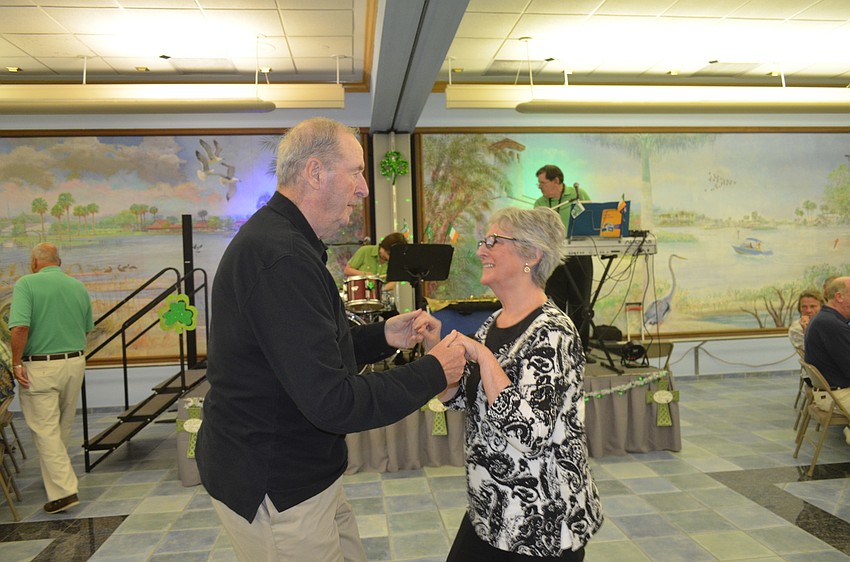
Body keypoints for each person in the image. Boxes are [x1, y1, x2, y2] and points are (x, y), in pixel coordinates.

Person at [195, 117, 467, 562]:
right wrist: (434, 370)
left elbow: (299, 355)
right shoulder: (281, 257)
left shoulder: (284, 243)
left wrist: (383, 336)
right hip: (277, 486)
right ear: (316, 172)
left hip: (303, 474)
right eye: (357, 171)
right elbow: (332, 400)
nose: (363, 188)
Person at [436, 206, 603, 561]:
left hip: (541, 522)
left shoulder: (553, 332)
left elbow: (529, 433)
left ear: (531, 254)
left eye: (494, 241)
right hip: (492, 508)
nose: (481, 250)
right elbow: (462, 400)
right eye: (484, 241)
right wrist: (437, 350)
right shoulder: (494, 321)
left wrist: (483, 357)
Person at [8, 242, 93, 514]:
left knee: (45, 431)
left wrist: (15, 361)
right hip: (74, 362)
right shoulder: (77, 286)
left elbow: (20, 327)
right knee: (60, 429)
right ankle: (57, 491)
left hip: (40, 367)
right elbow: (87, 328)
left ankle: (66, 490)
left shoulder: (26, 284)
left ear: (34, 263)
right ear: (59, 261)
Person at [534, 164, 594, 355]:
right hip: (553, 260)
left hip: (579, 258)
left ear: (556, 181)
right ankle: (557, 350)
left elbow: (592, 221)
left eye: (543, 183)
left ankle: (581, 350)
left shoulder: (579, 195)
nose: (540, 187)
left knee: (580, 304)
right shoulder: (540, 203)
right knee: (554, 306)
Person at [804, 276, 850, 445]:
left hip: (831, 391)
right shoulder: (831, 324)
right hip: (837, 395)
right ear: (839, 297)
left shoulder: (825, 319)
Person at [344, 232, 407, 318]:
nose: (388, 258)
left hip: (380, 298)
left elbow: (392, 284)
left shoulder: (394, 260)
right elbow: (347, 270)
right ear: (383, 247)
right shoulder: (365, 251)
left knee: (396, 320)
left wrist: (378, 290)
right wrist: (366, 274)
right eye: (387, 254)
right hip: (360, 297)